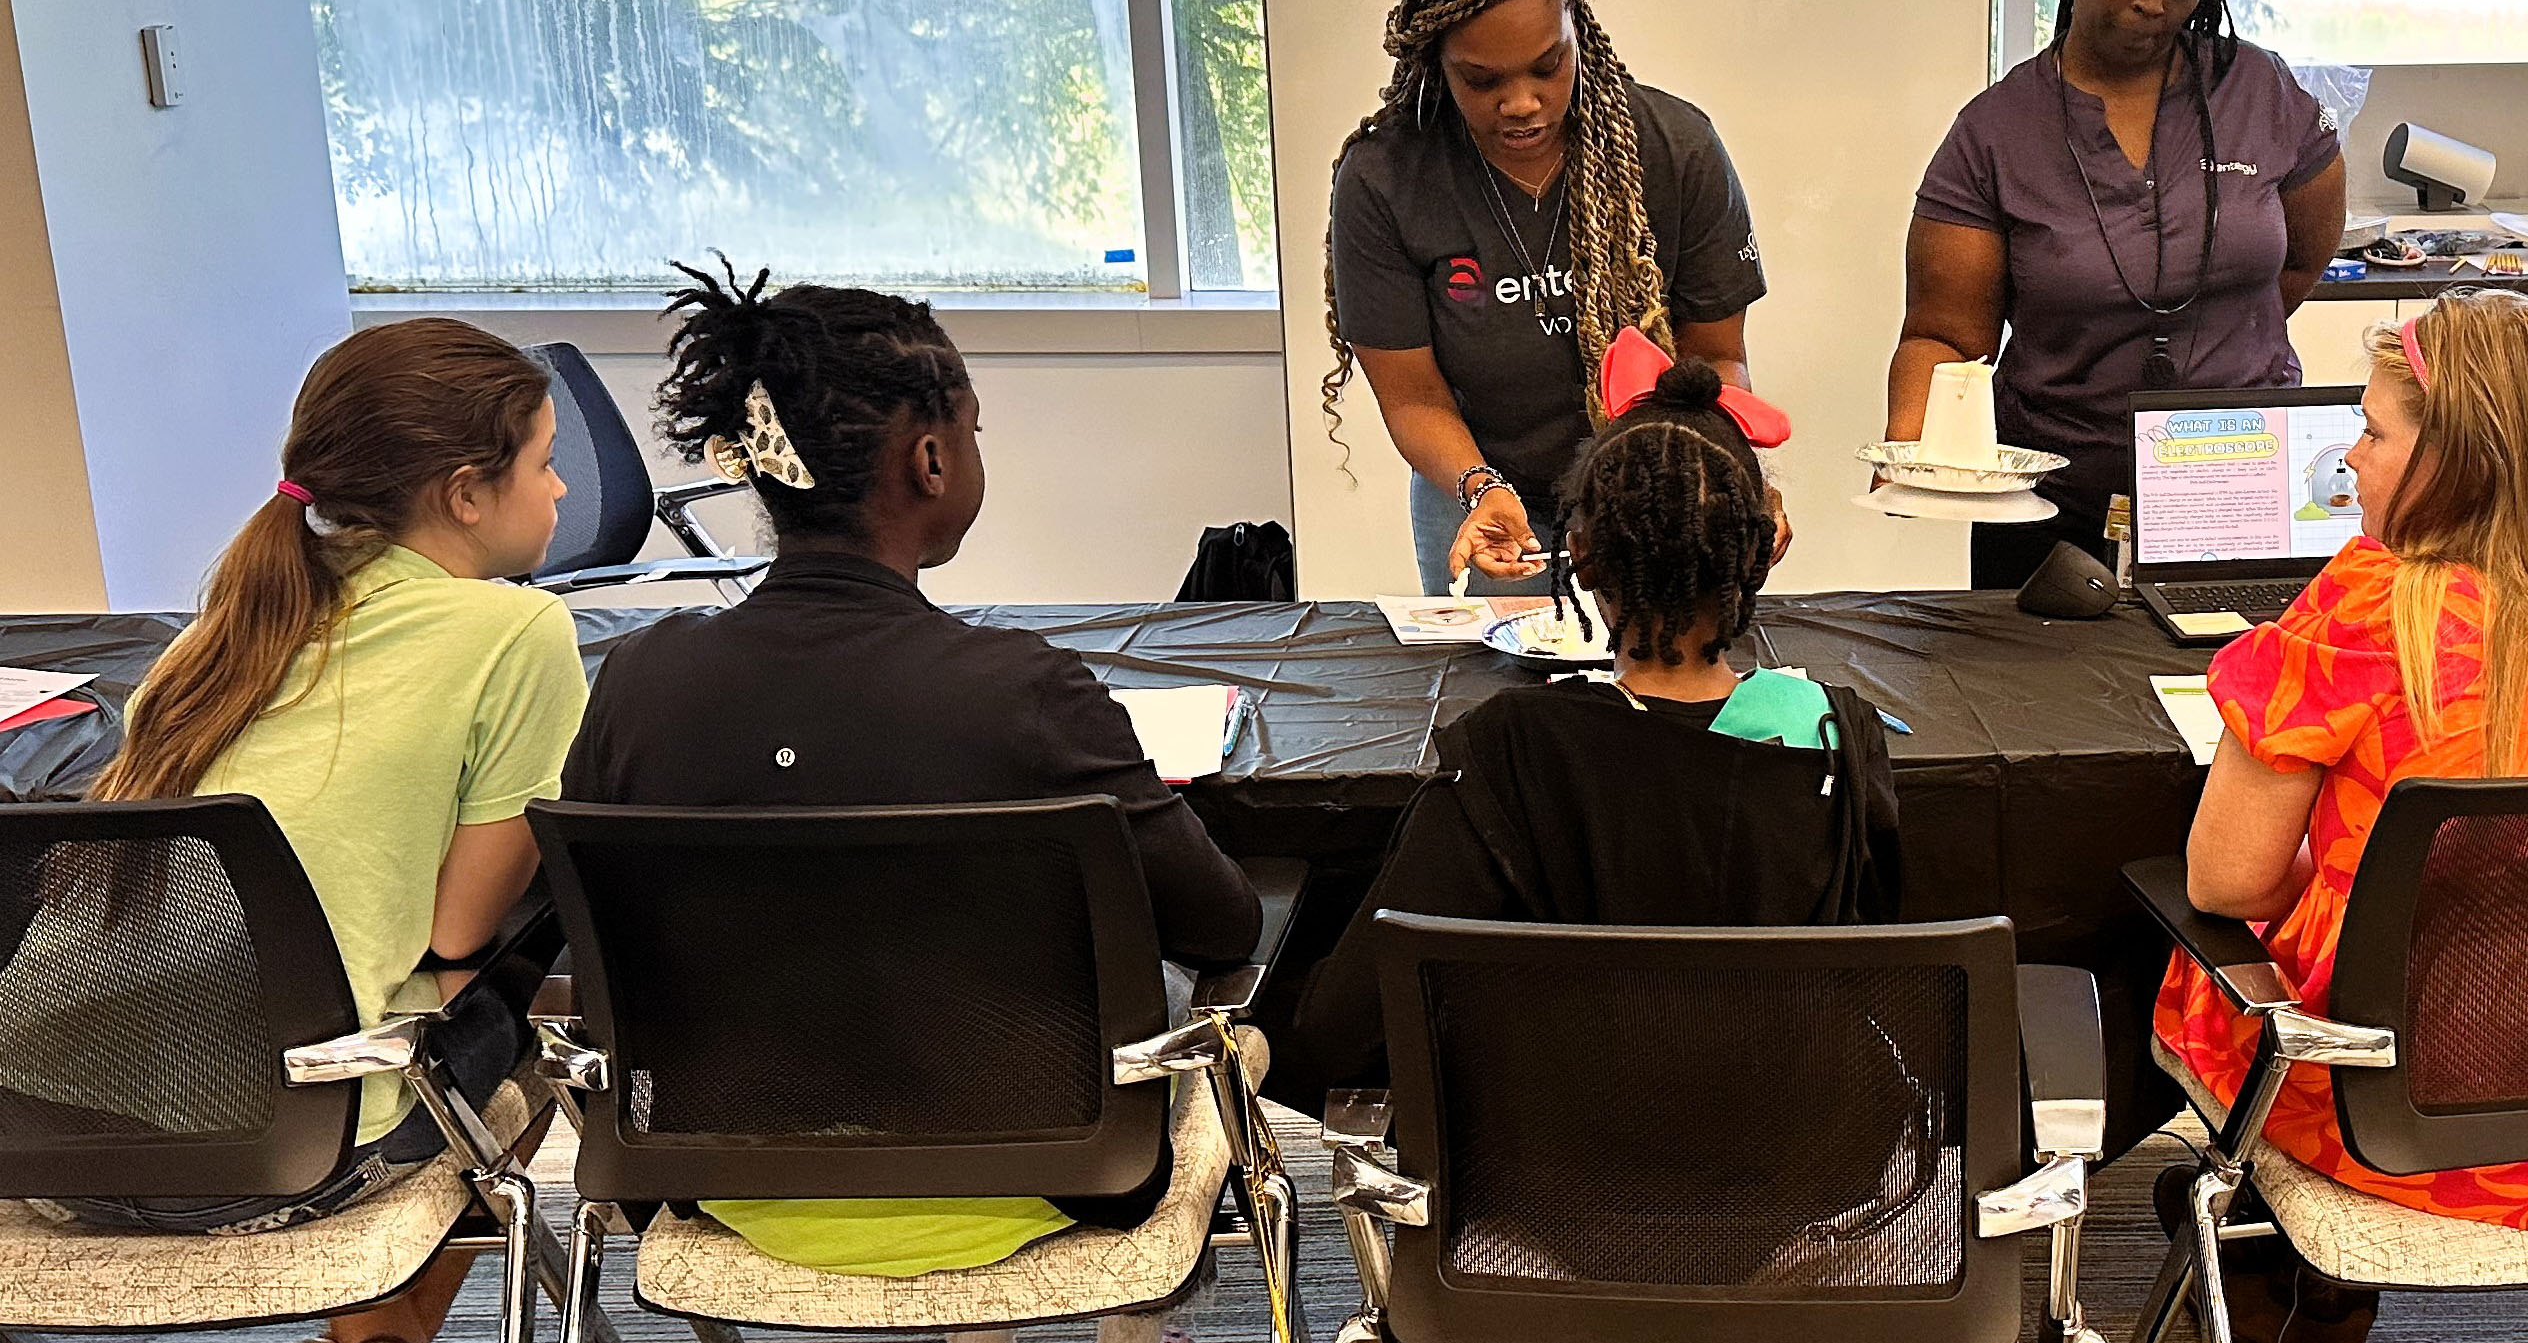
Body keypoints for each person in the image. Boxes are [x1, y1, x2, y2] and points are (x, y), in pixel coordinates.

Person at [562, 263, 1264, 1284]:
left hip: (735, 1179)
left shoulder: (639, 683)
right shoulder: (1027, 694)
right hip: (1040, 1175)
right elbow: (1224, 929)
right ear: (930, 459)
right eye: (973, 433)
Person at [2155, 291, 2528, 1343]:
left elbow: (2229, 883)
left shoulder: (2369, 605)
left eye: (2374, 430)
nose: (2350, 456)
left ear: (2457, 461)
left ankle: (2248, 1246)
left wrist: (2358, 877)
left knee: (2178, 946)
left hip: (2405, 1121)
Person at [0, 320, 579, 1343]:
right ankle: (378, 1333)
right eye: (546, 461)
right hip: (269, 1163)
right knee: (530, 1020)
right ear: (464, 492)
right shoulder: (518, 634)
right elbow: (455, 937)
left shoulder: (211, 644)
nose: (563, 488)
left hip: (37, 1148)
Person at [1276, 350, 1897, 1111]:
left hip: (1548, 1189)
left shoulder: (1512, 751)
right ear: (1764, 546)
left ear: (1582, 556)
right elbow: (1894, 976)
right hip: (1798, 1175)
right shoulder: (1834, 738)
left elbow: (1350, 1020)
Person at [1894, 0, 2347, 587]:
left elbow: (2301, 259)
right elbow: (1946, 333)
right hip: (2051, 519)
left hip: (2245, 501)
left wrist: (2214, 346)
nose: (2152, 2)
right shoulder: (1997, 131)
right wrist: (1914, 451)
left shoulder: (2263, 94)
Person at [1324, 0, 1768, 594]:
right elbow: (1413, 398)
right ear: (1435, 59)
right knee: (1498, 698)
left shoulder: (1675, 150)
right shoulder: (1386, 181)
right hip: (1483, 497)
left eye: (1547, 65)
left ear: (1576, 26)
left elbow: (1714, 355)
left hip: (1651, 492)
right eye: (1482, 79)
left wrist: (1732, 474)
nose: (1522, 102)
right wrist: (1478, 488)